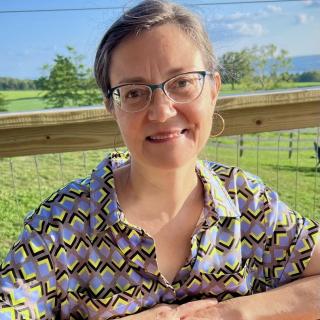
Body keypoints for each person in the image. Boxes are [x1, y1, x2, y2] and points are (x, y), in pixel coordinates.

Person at [1, 0, 320, 319]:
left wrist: (234, 313)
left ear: (213, 90)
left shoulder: (250, 205)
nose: (162, 111)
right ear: (113, 107)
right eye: (134, 92)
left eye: (182, 83)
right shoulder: (59, 226)